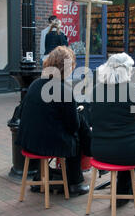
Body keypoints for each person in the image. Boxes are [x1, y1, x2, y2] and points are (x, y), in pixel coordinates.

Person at [90, 53, 135, 215]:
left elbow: (92, 119)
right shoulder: (132, 91)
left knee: (124, 152)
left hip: (99, 150)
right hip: (127, 149)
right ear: (127, 70)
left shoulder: (96, 90)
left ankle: (122, 196)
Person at [16, 46, 90, 196]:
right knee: (76, 135)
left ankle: (40, 177)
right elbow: (72, 126)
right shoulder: (64, 90)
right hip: (46, 145)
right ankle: (75, 183)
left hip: (28, 142)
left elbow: (23, 112)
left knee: (73, 127)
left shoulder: (35, 84)